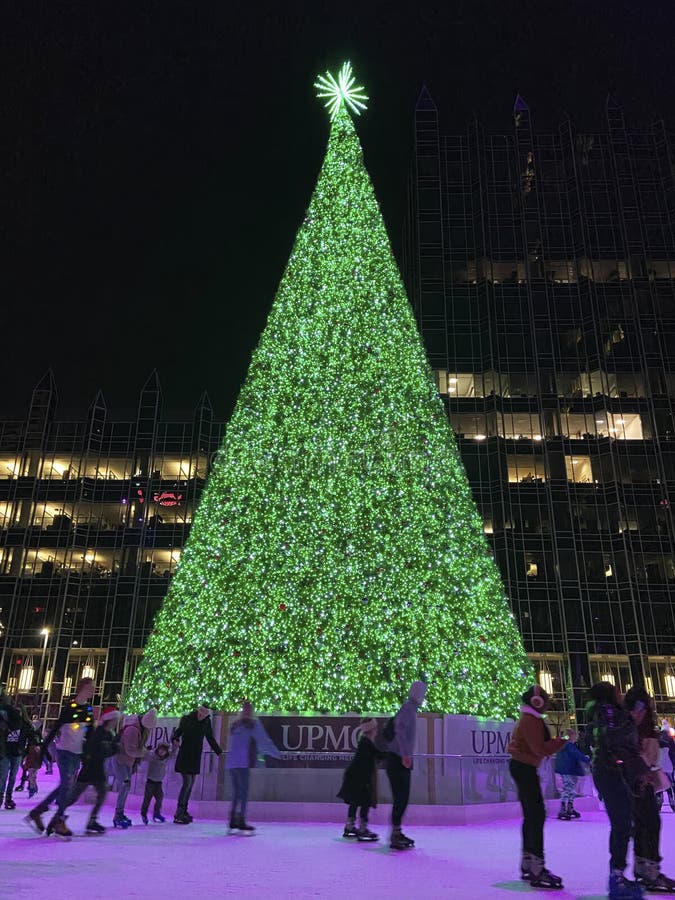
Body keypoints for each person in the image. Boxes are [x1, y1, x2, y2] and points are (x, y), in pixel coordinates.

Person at [588, 681, 649, 899]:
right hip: (608, 770)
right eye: (616, 690)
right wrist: (630, 720)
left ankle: (618, 873)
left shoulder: (611, 712)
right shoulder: (606, 711)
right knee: (622, 822)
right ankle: (616, 875)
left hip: (610, 770)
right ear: (609, 695)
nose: (620, 692)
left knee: (624, 821)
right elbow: (611, 737)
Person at [507, 683, 565, 889]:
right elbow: (539, 748)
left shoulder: (530, 718)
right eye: (545, 701)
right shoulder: (531, 720)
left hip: (522, 766)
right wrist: (561, 741)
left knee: (532, 814)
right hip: (524, 767)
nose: (547, 705)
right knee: (536, 814)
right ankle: (537, 868)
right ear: (536, 702)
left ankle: (528, 861)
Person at [24, 677, 95, 838]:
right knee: (66, 786)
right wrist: (43, 751)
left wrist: (89, 753)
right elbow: (56, 727)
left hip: (76, 754)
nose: (92, 690)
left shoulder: (88, 710)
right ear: (82, 687)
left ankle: (38, 812)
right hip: (64, 752)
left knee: (64, 787)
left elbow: (90, 733)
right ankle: (59, 820)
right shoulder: (70, 707)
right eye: (90, 687)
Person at [624, 687, 675, 893]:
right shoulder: (635, 726)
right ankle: (650, 871)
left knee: (645, 824)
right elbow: (636, 755)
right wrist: (643, 772)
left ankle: (644, 867)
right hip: (640, 783)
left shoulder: (637, 726)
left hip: (642, 781)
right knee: (650, 823)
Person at [225, 700, 281, 833]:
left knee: (236, 792)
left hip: (232, 762)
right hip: (242, 762)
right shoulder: (251, 724)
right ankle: (241, 820)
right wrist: (276, 753)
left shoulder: (235, 725)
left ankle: (233, 819)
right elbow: (263, 740)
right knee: (243, 792)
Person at [64, 706, 121, 834]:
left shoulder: (108, 734)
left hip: (97, 769)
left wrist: (113, 747)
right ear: (110, 720)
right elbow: (96, 750)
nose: (116, 723)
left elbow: (106, 751)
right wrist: (113, 748)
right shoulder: (99, 732)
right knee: (74, 796)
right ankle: (58, 814)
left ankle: (92, 820)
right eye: (115, 720)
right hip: (90, 768)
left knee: (102, 792)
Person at [383, 680, 426, 850]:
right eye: (422, 692)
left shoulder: (410, 708)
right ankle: (395, 833)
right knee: (401, 797)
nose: (423, 695)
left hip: (397, 758)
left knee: (402, 798)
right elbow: (399, 729)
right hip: (397, 759)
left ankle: (397, 831)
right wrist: (405, 754)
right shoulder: (408, 708)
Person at [172, 705, 223, 824]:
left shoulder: (206, 722)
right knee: (187, 783)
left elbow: (210, 738)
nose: (201, 716)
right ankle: (179, 811)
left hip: (195, 757)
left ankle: (184, 810)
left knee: (190, 785)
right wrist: (175, 739)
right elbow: (178, 732)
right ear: (197, 711)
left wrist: (219, 752)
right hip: (185, 755)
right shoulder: (187, 719)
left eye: (204, 715)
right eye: (200, 713)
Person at [337, 718, 383, 841]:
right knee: (365, 801)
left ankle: (350, 826)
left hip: (355, 777)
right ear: (371, 729)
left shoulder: (365, 742)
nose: (377, 730)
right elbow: (379, 755)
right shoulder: (366, 743)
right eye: (375, 728)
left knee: (356, 801)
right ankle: (362, 828)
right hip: (359, 778)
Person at [113, 707, 157, 828]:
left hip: (127, 762)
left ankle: (119, 813)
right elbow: (130, 750)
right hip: (120, 760)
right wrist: (144, 753)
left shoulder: (140, 730)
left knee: (126, 786)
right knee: (124, 785)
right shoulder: (132, 730)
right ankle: (118, 815)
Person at [554, 729, 589, 820]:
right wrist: (588, 760)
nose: (576, 738)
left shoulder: (563, 745)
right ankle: (563, 810)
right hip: (567, 770)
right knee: (567, 789)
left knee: (570, 789)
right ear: (571, 736)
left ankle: (569, 808)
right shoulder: (568, 745)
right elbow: (576, 755)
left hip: (566, 770)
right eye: (575, 736)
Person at [140, 741, 176, 825]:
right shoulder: (152, 756)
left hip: (159, 783)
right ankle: (143, 814)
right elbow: (144, 755)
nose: (162, 752)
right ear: (158, 749)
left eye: (164, 750)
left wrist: (175, 745)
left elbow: (173, 753)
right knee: (147, 799)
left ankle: (156, 813)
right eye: (160, 749)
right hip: (150, 782)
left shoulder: (166, 758)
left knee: (159, 798)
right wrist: (145, 751)